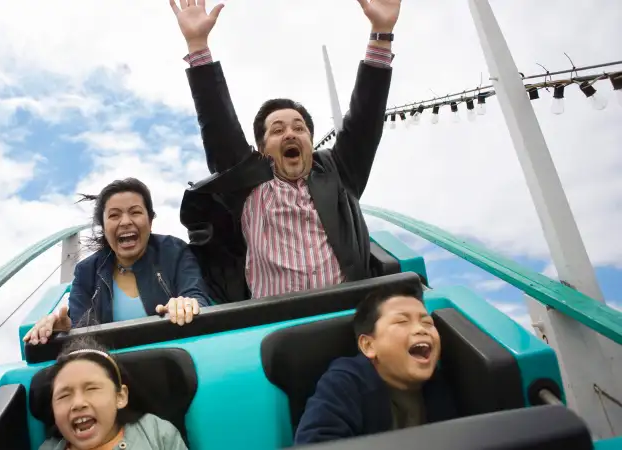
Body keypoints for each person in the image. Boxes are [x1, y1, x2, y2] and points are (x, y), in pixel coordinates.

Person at [171, 0, 400, 303]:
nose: (290, 133)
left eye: (299, 128)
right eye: (277, 130)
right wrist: (198, 45)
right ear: (262, 149)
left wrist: (381, 33)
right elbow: (218, 124)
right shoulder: (247, 184)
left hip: (346, 317)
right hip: (275, 326)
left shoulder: (338, 173)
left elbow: (365, 119)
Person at [24, 178, 212, 346]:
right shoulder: (86, 271)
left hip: (176, 357)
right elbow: (80, 330)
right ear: (104, 227)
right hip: (112, 371)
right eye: (114, 215)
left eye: (135, 212)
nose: (125, 222)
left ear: (150, 220)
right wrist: (64, 330)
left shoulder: (174, 250)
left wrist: (187, 304)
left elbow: (197, 297)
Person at [294, 279, 458, 444]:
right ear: (368, 345)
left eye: (427, 323)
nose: (420, 329)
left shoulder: (439, 385)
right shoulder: (344, 382)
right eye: (402, 321)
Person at [38, 336, 188, 450]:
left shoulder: (156, 433)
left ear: (120, 396)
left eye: (91, 389)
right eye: (64, 395)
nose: (78, 403)